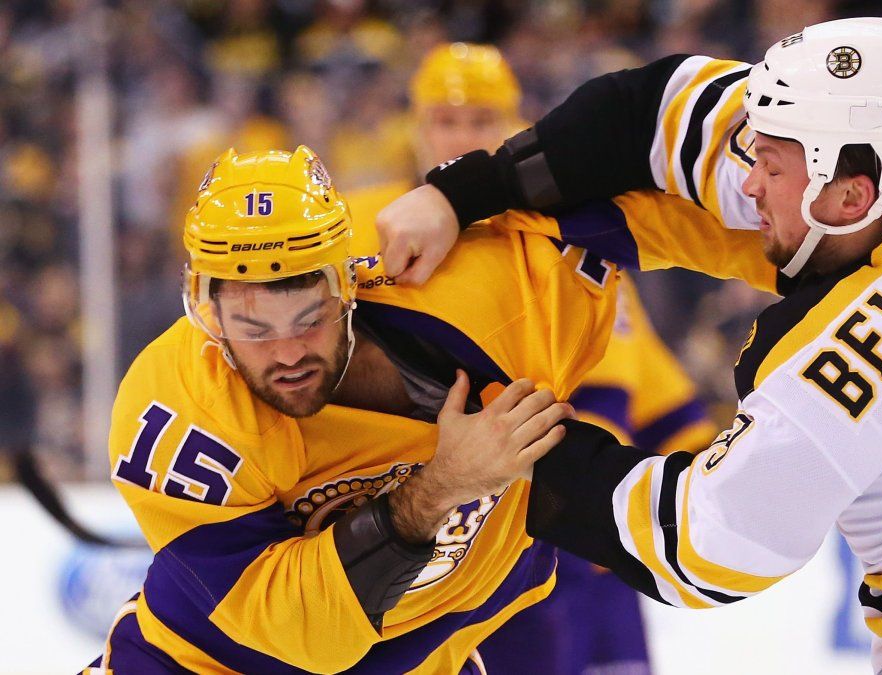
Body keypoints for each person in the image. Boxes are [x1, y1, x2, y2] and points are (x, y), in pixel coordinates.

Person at [374, 17, 882, 675]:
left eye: (770, 163)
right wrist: (462, 192)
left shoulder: (849, 358)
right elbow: (650, 110)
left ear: (850, 195)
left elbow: (701, 546)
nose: (748, 180)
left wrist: (502, 451)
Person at [85, 146, 717, 673]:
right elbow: (309, 636)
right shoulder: (176, 408)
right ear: (209, 314)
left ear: (346, 285)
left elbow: (701, 205)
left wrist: (792, 274)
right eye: (254, 329)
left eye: (309, 319)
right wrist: (443, 485)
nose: (288, 354)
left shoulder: (498, 293)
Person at [354, 43, 719, 675]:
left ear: (513, 127)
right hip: (395, 514)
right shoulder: (358, 221)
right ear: (415, 127)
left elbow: (616, 387)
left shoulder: (560, 235)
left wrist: (586, 513)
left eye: (480, 120)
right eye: (445, 120)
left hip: (535, 526)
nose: (460, 136)